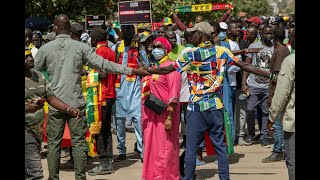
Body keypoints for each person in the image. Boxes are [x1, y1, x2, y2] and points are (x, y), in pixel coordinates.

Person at [146, 22, 272, 180]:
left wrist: (147, 70)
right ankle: (224, 178)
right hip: (215, 108)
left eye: (194, 33)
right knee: (220, 148)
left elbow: (167, 69)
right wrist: (271, 76)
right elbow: (245, 65)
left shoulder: (189, 54)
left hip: (195, 109)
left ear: (201, 34)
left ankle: (188, 178)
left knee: (191, 149)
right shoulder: (222, 52)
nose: (191, 36)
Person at [33, 14, 149, 180]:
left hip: (54, 103)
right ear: (69, 29)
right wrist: (132, 70)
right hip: (77, 104)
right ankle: (80, 177)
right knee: (79, 143)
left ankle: (53, 177)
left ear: (56, 28)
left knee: (53, 144)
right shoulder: (81, 48)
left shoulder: (45, 49)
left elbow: (33, 73)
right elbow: (104, 65)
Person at [25, 47, 80, 180]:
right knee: (36, 173)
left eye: (30, 56)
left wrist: (68, 108)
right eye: (26, 57)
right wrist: (27, 107)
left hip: (37, 131)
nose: (30, 59)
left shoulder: (39, 76)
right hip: (26, 132)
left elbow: (51, 98)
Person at [141, 37, 181, 180]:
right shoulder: (154, 66)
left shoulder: (172, 68)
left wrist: (169, 118)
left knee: (165, 149)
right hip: (151, 116)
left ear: (166, 49)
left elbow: (174, 95)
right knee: (152, 149)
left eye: (158, 46)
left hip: (165, 116)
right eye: (153, 46)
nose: (155, 49)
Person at [112, 25, 148, 162]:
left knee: (138, 120)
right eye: (125, 31)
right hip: (119, 88)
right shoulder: (116, 47)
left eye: (130, 31)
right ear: (121, 33)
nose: (127, 33)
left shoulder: (139, 47)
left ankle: (142, 150)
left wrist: (141, 46)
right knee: (119, 122)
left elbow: (146, 64)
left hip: (135, 88)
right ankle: (121, 151)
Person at [87, 25, 117, 175]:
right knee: (106, 130)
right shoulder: (112, 51)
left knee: (97, 129)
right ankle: (109, 161)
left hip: (102, 95)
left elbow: (103, 74)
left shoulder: (99, 51)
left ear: (93, 39)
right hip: (111, 94)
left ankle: (104, 162)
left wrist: (87, 73)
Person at [267, 28, 295, 180]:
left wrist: (272, 117)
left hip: (293, 121)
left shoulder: (290, 61)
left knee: (293, 161)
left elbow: (282, 92)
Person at [242, 25, 274, 147]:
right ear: (261, 34)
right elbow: (246, 65)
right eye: (266, 33)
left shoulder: (274, 48)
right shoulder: (253, 46)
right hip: (253, 84)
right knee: (250, 109)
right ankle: (250, 134)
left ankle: (264, 136)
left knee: (266, 112)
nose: (269, 36)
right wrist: (243, 83)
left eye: (271, 33)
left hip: (267, 85)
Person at [262, 27, 290, 163]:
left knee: (277, 123)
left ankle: (278, 151)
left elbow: (277, 76)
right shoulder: (284, 49)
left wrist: (272, 95)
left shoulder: (279, 51)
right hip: (283, 90)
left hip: (278, 91)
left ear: (273, 37)